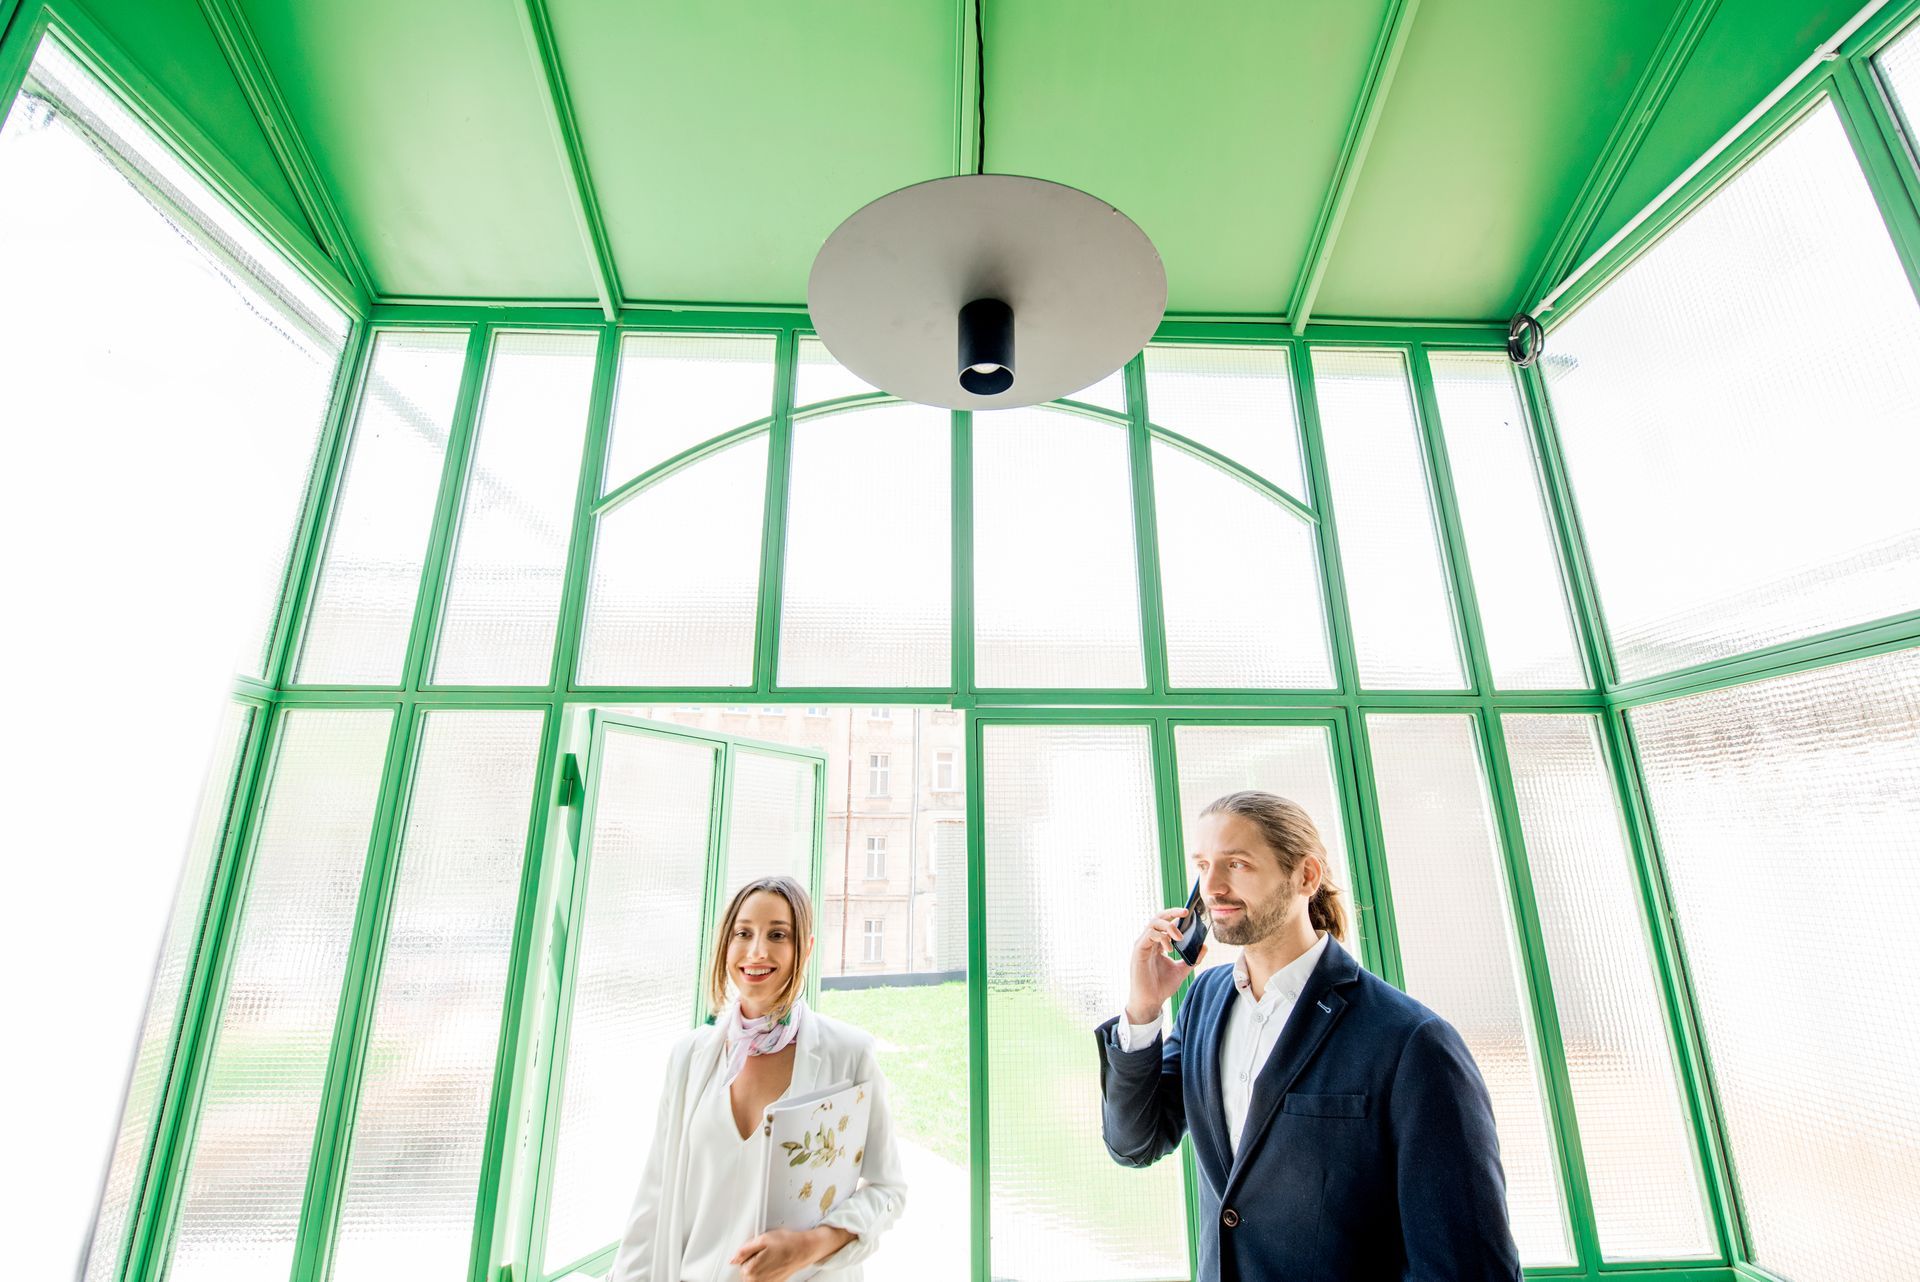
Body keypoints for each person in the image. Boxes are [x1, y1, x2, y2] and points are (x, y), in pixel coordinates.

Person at [1096, 790, 1521, 1282]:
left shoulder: (1413, 1042)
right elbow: (1134, 1143)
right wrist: (1144, 1009)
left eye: (1237, 864)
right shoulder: (1204, 1001)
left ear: (1306, 876)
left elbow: (1468, 1266)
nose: (1211, 887)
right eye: (1203, 864)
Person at [612, 875, 907, 1282]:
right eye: (743, 933)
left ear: (804, 949)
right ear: (725, 945)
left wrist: (810, 1246)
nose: (757, 951)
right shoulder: (689, 1057)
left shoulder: (848, 1054)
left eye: (777, 935)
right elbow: (654, 1199)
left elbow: (887, 1190)